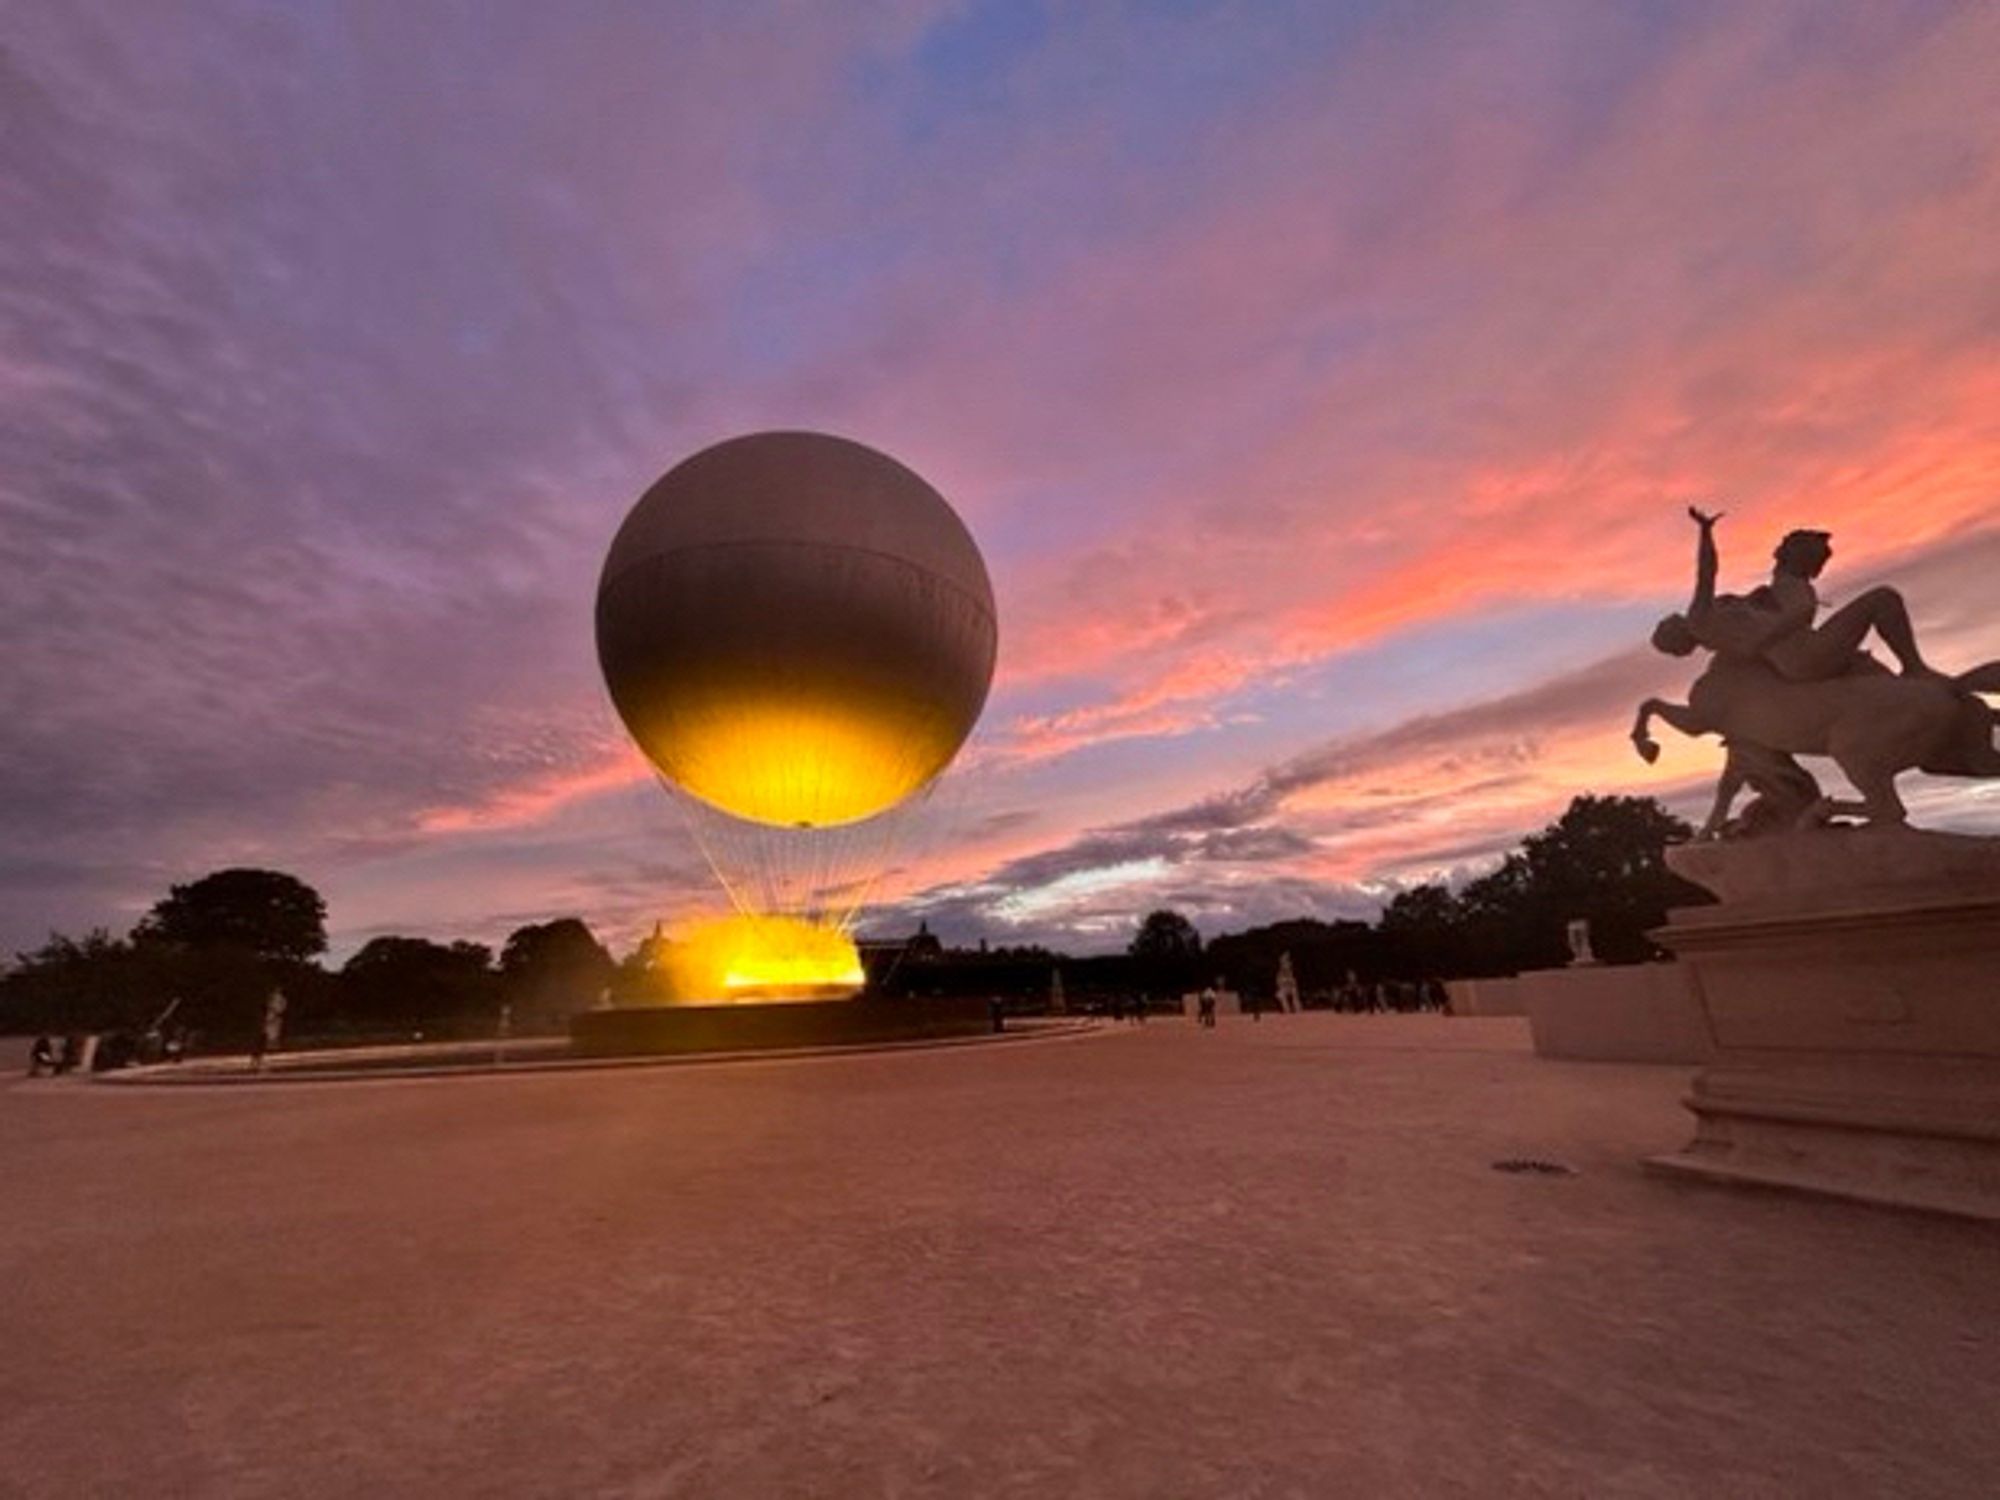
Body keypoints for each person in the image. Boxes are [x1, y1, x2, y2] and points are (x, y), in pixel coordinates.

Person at [1652, 507, 1942, 682]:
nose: (1667, 618)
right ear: (1676, 633)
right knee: (1883, 598)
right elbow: (1706, 572)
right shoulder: (1699, 620)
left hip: (1796, 659)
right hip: (1805, 652)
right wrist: (1705, 531)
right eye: (1664, 624)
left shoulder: (1718, 639)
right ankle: (1914, 668)